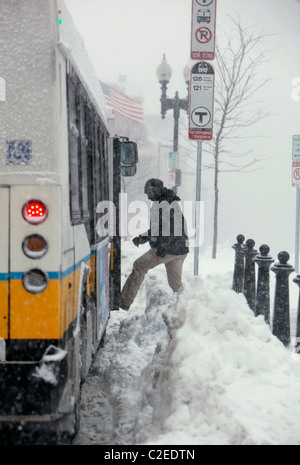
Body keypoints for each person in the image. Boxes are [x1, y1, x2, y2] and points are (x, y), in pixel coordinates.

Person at [120, 178, 189, 310]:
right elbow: (159, 229)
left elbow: (170, 227)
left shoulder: (164, 203)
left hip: (169, 248)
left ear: (155, 190)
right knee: (176, 285)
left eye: (149, 192)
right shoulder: (166, 200)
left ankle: (124, 301)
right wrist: (143, 238)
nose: (147, 195)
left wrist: (161, 248)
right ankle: (189, 308)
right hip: (180, 249)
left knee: (139, 266)